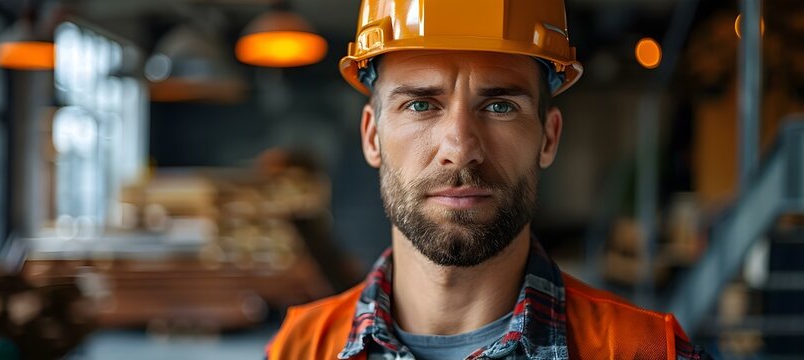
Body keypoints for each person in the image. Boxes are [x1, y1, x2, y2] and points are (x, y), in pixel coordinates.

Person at [267, 0, 712, 359]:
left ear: (548, 138)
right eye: (421, 105)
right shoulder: (299, 349)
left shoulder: (643, 351)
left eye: (500, 106)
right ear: (372, 137)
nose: (460, 148)